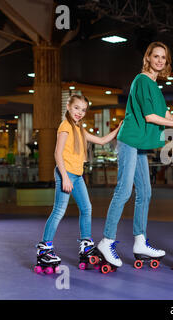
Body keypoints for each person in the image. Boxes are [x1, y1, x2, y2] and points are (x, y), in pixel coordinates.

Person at [97, 41, 173, 269]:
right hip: (130, 140)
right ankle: (106, 241)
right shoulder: (142, 80)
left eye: (164, 57)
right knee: (124, 190)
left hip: (140, 143)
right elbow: (151, 117)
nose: (160, 61)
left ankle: (140, 242)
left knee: (145, 191)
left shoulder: (154, 85)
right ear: (148, 58)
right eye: (156, 56)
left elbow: (166, 113)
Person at [34, 94, 122, 274]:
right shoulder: (65, 126)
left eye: (83, 110)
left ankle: (86, 245)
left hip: (78, 175)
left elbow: (102, 140)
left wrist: (118, 129)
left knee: (87, 208)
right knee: (59, 210)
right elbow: (57, 154)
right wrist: (65, 177)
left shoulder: (79, 129)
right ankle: (44, 249)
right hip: (65, 174)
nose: (79, 113)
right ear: (68, 106)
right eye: (76, 108)